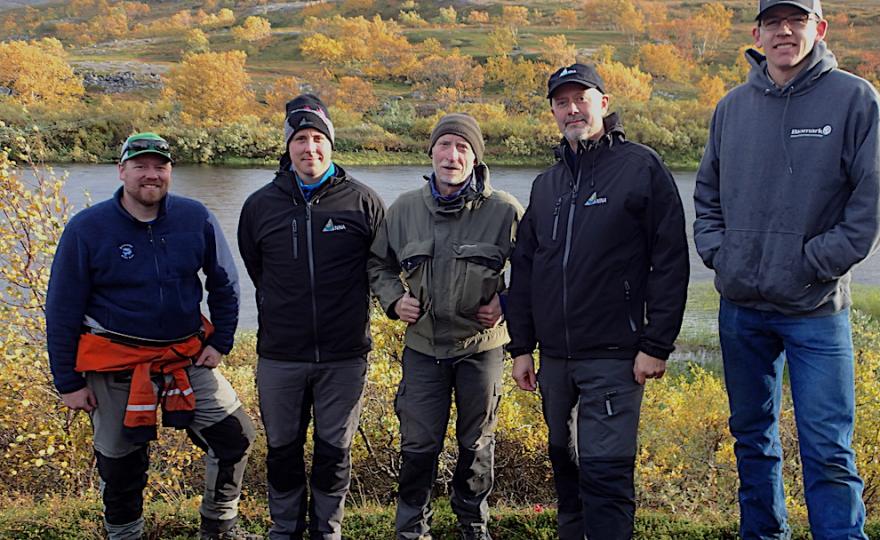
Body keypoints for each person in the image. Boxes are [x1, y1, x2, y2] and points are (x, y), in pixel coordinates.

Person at [693, 0, 880, 537]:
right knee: (751, 439)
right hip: (741, 309)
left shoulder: (855, 99)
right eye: (773, 22)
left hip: (816, 311)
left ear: (820, 28)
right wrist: (723, 255)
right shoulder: (732, 107)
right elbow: (706, 198)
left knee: (828, 447)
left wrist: (811, 264)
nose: (784, 31)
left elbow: (877, 208)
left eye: (798, 20)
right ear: (757, 32)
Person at [506, 63, 690, 540]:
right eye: (562, 102)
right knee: (565, 470)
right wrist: (522, 346)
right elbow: (524, 268)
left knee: (606, 475)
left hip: (616, 355)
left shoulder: (640, 166)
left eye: (581, 99)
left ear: (603, 103)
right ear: (552, 111)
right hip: (556, 359)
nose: (572, 109)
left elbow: (670, 258)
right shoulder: (546, 185)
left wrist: (658, 343)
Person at [45, 132, 258, 540]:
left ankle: (218, 528)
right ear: (121, 170)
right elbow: (62, 308)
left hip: (184, 356)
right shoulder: (87, 229)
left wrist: (221, 341)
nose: (151, 174)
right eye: (140, 165)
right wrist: (68, 382)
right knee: (121, 462)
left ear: (170, 172)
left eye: (159, 166)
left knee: (235, 436)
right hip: (114, 363)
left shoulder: (195, 217)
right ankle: (126, 535)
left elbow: (225, 284)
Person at [368, 113, 523, 540]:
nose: (452, 156)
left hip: (481, 348)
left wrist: (507, 302)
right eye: (444, 146)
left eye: (462, 148)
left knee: (476, 444)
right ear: (431, 151)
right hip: (423, 348)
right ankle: (412, 530)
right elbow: (378, 263)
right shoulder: (403, 210)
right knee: (418, 445)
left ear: (475, 158)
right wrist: (395, 300)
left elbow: (534, 268)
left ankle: (473, 526)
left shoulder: (505, 211)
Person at [238, 94, 385, 540]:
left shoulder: (363, 202)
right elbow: (256, 269)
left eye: (318, 138)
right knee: (282, 450)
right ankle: (284, 530)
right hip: (281, 355)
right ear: (288, 146)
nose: (310, 148)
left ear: (331, 144)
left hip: (343, 356)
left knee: (333, 451)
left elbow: (381, 269)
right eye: (300, 139)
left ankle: (327, 530)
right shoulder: (260, 206)